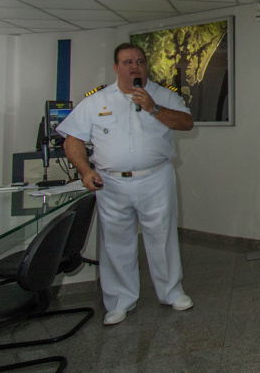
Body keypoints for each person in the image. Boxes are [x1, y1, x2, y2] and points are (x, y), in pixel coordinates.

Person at [58, 43, 194, 326]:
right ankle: (120, 301)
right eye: (128, 62)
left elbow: (186, 123)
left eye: (140, 61)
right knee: (116, 243)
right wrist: (84, 171)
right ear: (116, 67)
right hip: (111, 183)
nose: (135, 67)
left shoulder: (162, 95)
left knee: (162, 237)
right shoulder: (97, 101)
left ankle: (171, 292)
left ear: (146, 66)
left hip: (155, 178)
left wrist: (152, 107)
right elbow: (72, 141)